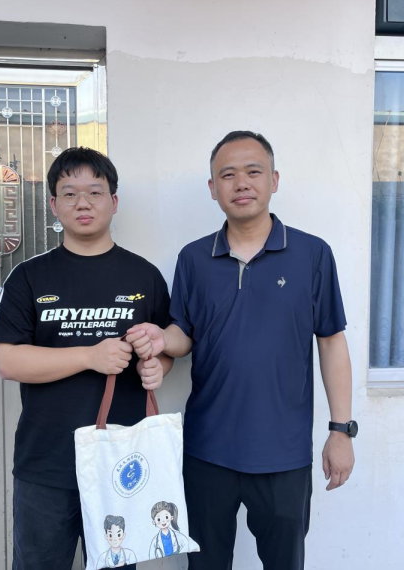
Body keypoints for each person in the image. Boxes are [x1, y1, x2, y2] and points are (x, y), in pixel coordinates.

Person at [126, 131, 357, 569]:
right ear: (213, 188)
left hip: (284, 452)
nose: (242, 183)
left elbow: (331, 341)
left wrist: (341, 430)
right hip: (207, 449)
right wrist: (161, 340)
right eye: (228, 175)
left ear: (274, 180)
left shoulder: (312, 254)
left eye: (254, 171)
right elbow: (184, 333)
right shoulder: (193, 258)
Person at [0, 147, 173, 570]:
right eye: (69, 194)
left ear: (114, 201)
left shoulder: (144, 276)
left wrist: (157, 366)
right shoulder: (29, 277)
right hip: (46, 465)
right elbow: (9, 362)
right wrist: (90, 355)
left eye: (95, 192)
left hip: (122, 465)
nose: (82, 203)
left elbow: (164, 348)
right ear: (54, 205)